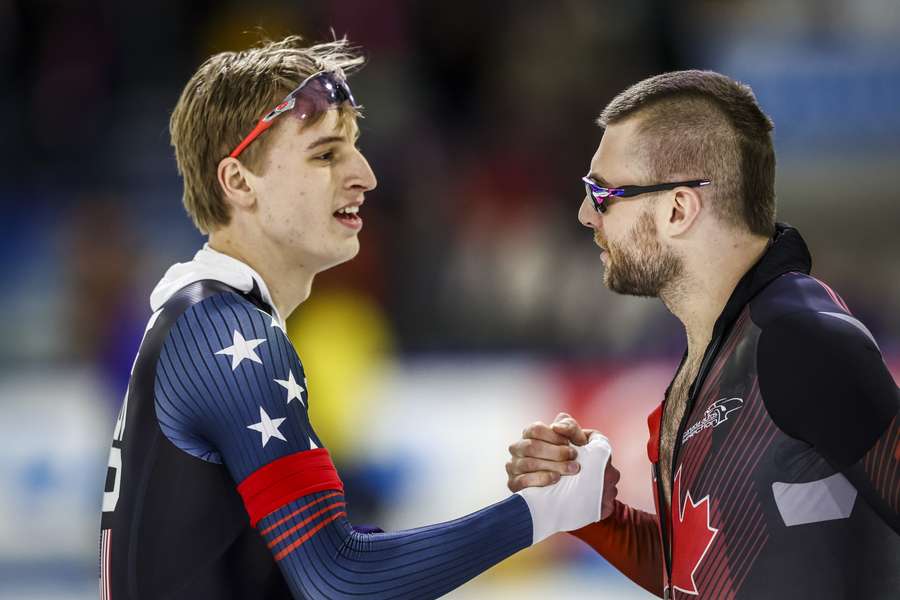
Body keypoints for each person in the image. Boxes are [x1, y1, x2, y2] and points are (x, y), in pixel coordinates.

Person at [97, 36, 617, 600]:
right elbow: (340, 581)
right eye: (325, 154)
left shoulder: (204, 319)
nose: (365, 175)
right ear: (239, 182)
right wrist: (540, 513)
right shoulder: (230, 335)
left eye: (354, 147)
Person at [506, 70, 899, 599]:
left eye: (601, 192)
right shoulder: (710, 363)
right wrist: (597, 516)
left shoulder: (799, 339)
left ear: (677, 209)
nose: (584, 215)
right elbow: (700, 574)